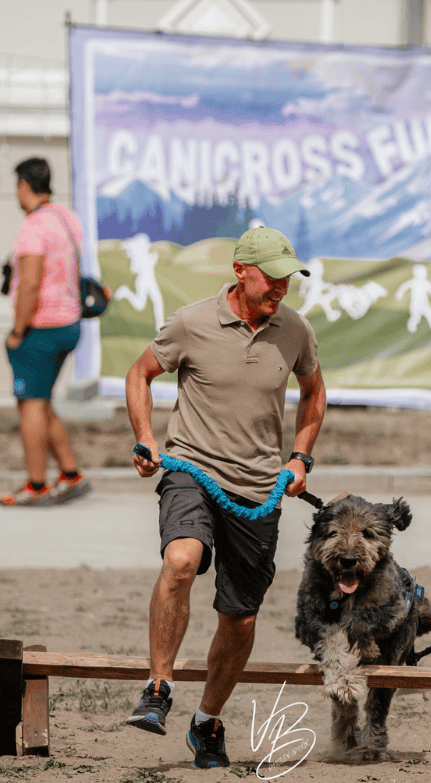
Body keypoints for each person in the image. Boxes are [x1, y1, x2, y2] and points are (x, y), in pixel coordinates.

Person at [123, 226, 326, 769]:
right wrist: (145, 436)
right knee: (181, 559)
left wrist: (300, 458)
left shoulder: (295, 329)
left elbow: (313, 392)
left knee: (239, 618)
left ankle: (206, 721)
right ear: (240, 271)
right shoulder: (191, 322)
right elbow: (140, 373)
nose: (280, 288)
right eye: (271, 278)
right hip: (191, 469)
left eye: (287, 279)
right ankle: (158, 688)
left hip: (258, 489)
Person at [0, 157, 95, 507]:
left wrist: (17, 331)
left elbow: (30, 283)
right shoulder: (66, 218)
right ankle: (70, 474)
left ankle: (36, 485)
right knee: (41, 401)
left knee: (31, 405)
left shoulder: (33, 227)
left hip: (40, 328)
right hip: (69, 323)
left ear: (24, 185)